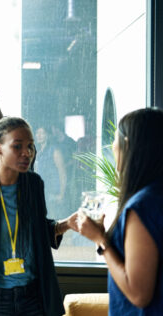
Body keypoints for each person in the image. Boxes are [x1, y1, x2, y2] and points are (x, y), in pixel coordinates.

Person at [0, 117, 78, 316]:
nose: (26, 153)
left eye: (30, 146)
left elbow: (36, 230)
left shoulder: (34, 184)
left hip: (32, 295)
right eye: (17, 146)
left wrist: (65, 225)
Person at [76, 108, 163, 315]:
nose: (112, 146)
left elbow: (139, 294)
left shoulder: (142, 206)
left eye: (115, 140)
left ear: (128, 145)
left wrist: (100, 240)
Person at [34, 126, 67, 218]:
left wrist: (61, 194)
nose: (39, 135)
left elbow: (62, 173)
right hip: (42, 191)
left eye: (42, 133)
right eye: (37, 133)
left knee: (53, 218)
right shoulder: (37, 153)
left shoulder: (55, 151)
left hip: (53, 191)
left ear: (47, 135)